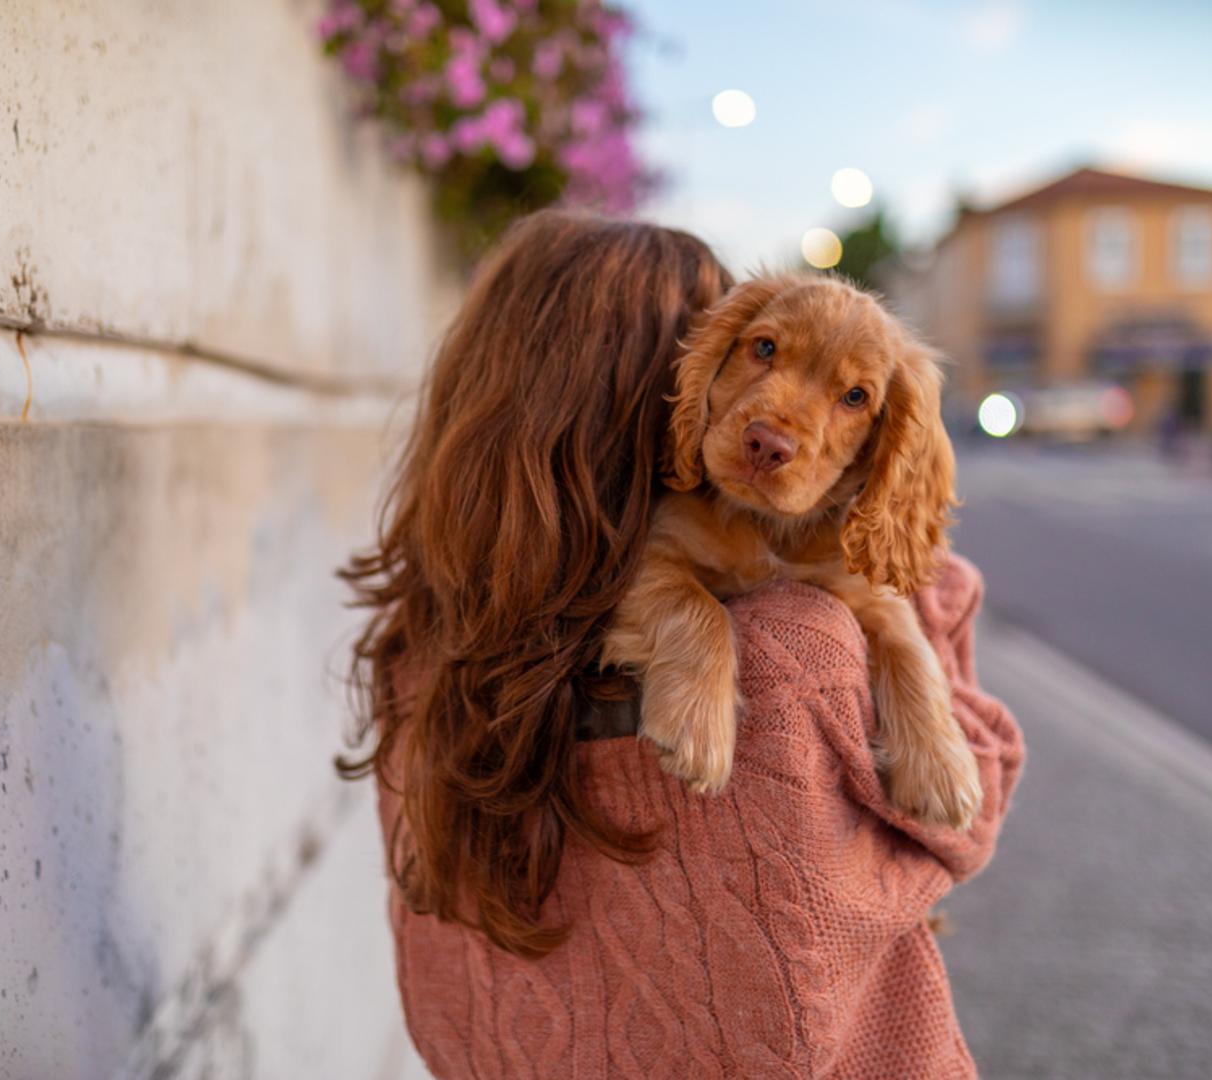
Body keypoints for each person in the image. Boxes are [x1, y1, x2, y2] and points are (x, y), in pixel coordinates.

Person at [339, 210, 1025, 1079]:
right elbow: (951, 829)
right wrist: (929, 603)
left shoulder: (423, 644)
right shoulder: (790, 649)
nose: (772, 415)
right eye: (755, 350)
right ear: (661, 391)